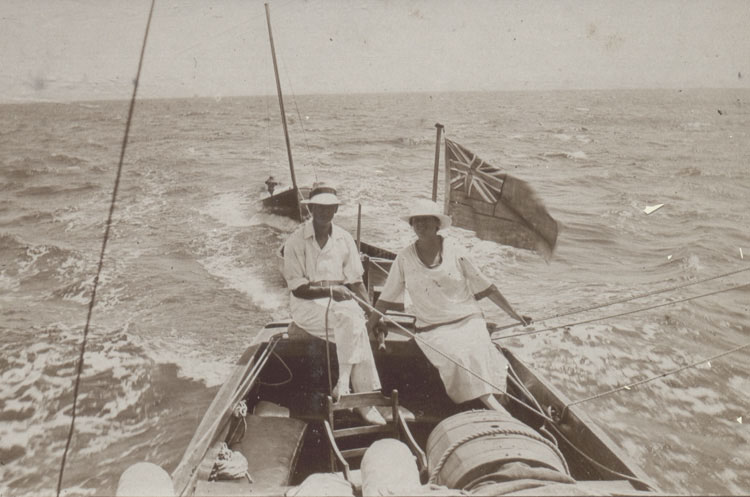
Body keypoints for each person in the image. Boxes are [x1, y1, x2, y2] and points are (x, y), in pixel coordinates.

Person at [365, 199, 531, 412]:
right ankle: (495, 407)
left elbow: (486, 286)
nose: (421, 225)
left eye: (426, 221)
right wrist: (369, 326)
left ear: (437, 225)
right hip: (433, 327)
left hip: (468, 318)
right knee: (458, 354)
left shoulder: (456, 250)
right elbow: (386, 297)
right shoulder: (404, 258)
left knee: (477, 348)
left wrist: (515, 314)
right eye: (416, 221)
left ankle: (495, 402)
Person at [283, 183, 386, 425]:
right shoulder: (295, 241)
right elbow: (298, 288)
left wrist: (375, 314)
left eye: (329, 207)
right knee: (354, 323)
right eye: (319, 207)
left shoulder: (344, 238)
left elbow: (357, 283)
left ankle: (349, 390)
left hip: (340, 306)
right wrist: (331, 290)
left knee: (355, 322)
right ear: (311, 209)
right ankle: (361, 398)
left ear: (336, 209)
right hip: (306, 306)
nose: (324, 212)